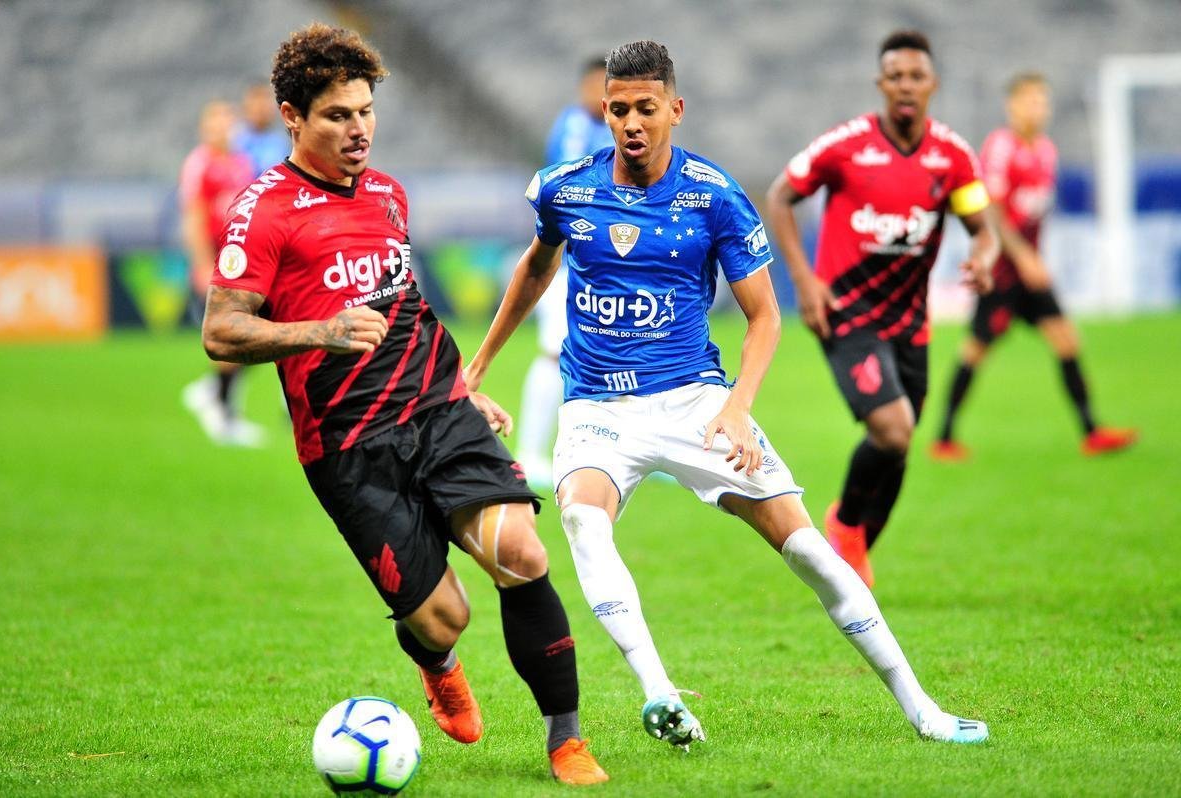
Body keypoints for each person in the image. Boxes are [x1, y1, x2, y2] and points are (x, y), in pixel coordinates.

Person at [466, 39, 988, 749]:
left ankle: (922, 708)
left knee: (807, 551)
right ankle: (660, 695)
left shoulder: (712, 195)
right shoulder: (566, 187)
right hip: (596, 409)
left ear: (675, 109)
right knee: (584, 523)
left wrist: (737, 408)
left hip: (696, 405)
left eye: (645, 109)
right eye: (618, 110)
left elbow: (766, 316)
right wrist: (477, 368)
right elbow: (535, 266)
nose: (630, 124)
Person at [200, 24, 607, 785]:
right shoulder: (265, 211)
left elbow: (407, 305)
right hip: (351, 448)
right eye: (336, 116)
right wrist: (319, 330)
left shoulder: (388, 195)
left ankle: (567, 742)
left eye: (364, 112)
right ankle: (439, 663)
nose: (358, 130)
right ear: (292, 117)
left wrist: (464, 392)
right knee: (444, 617)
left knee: (521, 553)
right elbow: (220, 330)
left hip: (436, 412)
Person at [766, 30, 998, 588]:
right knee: (893, 429)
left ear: (931, 84)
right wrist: (804, 280)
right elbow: (780, 197)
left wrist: (984, 257)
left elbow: (981, 229)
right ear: (881, 83)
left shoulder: (952, 157)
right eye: (895, 76)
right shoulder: (846, 145)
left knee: (901, 440)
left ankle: (854, 548)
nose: (905, 86)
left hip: (908, 321)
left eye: (915, 76)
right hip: (845, 311)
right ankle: (845, 527)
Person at [930, 72, 1137, 459]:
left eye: (1043, 101)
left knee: (1067, 340)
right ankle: (943, 439)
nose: (1038, 109)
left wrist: (1034, 258)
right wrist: (1024, 256)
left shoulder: (1045, 150)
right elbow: (990, 209)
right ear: (1013, 106)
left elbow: (1034, 212)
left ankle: (1092, 431)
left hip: (1031, 272)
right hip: (1003, 273)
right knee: (975, 350)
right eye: (1031, 101)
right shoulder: (1001, 147)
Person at [518, 57, 614, 489]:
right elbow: (573, 193)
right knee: (554, 353)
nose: (603, 97)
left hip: (599, 264)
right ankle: (529, 453)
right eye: (597, 87)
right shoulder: (576, 127)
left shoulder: (605, 126)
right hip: (569, 262)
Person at [178, 99, 264, 447]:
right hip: (217, 266)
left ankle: (211, 393)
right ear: (204, 128)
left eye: (227, 121)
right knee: (233, 339)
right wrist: (202, 266)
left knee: (263, 334)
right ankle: (224, 414)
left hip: (240, 265)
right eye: (215, 122)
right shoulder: (200, 164)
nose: (222, 128)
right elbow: (194, 217)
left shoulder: (242, 163)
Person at [234, 81, 292, 177]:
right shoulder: (235, 140)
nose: (261, 106)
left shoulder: (281, 142)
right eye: (256, 99)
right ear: (245, 104)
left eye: (266, 99)